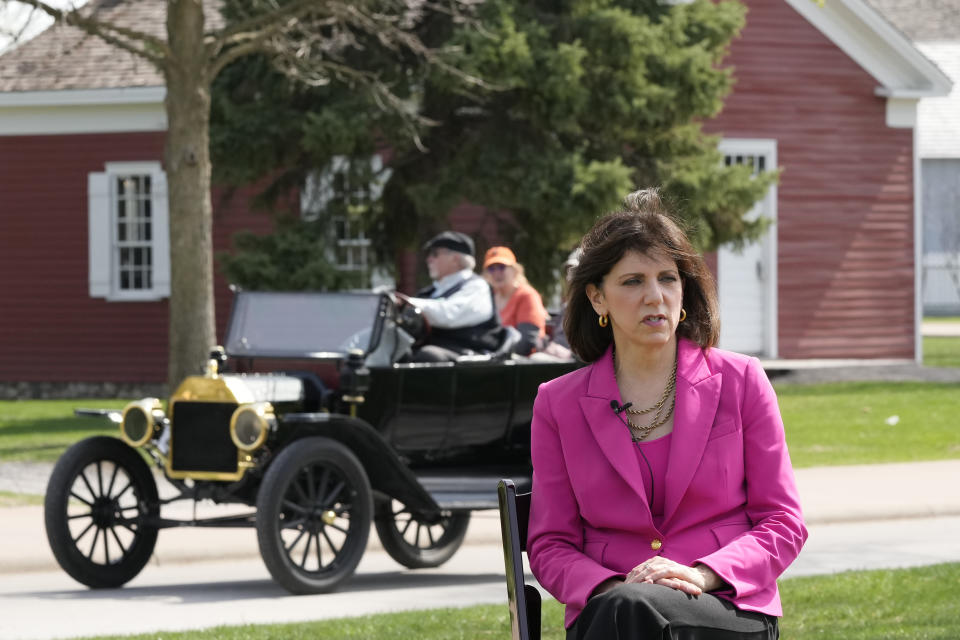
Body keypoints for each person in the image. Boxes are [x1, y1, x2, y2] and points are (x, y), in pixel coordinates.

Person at [527, 188, 807, 640]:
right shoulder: (557, 404)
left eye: (667, 278)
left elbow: (784, 522)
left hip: (721, 605)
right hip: (612, 607)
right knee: (629, 609)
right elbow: (550, 544)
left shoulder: (742, 380)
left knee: (632, 612)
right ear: (598, 299)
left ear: (684, 290)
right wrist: (614, 586)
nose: (654, 296)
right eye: (633, 281)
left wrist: (701, 574)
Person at [402, 231, 503, 362]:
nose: (429, 259)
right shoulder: (430, 291)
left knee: (428, 356)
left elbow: (449, 314)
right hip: (437, 351)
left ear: (455, 259)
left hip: (470, 356)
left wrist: (407, 302)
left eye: (435, 254)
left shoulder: (477, 286)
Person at [482, 246, 549, 355]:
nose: (496, 273)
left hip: (522, 364)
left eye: (501, 267)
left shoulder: (527, 295)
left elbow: (525, 343)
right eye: (491, 268)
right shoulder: (488, 297)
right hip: (496, 358)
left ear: (515, 270)